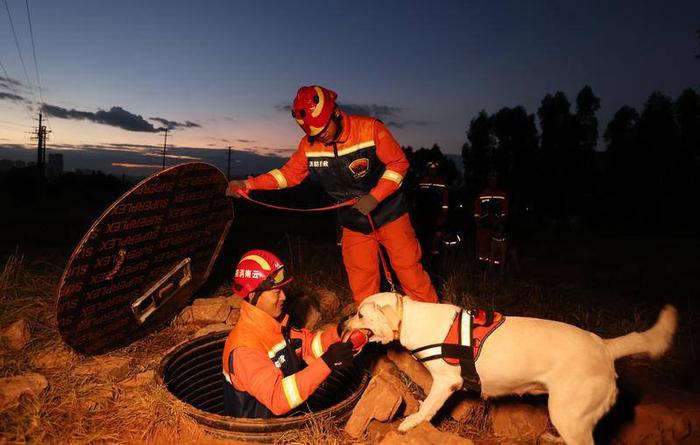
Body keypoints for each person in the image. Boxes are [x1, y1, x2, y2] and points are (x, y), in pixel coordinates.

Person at [227, 85, 438, 305]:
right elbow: (287, 175)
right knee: (362, 285)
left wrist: (375, 196)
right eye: (314, 133)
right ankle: (370, 336)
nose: (322, 137)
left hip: (391, 215)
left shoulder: (370, 129)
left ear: (336, 111)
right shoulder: (309, 145)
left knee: (411, 276)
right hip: (353, 223)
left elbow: (399, 163)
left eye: (323, 128)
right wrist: (248, 184)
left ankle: (439, 331)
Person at [221, 249, 354, 418]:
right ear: (254, 295)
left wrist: (339, 331)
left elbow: (308, 346)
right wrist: (327, 362)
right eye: (277, 292)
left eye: (283, 290)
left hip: (285, 422)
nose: (284, 297)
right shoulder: (244, 349)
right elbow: (278, 398)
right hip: (259, 435)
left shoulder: (274, 324)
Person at [414, 160, 450, 258]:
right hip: (422, 216)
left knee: (435, 240)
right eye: (431, 169)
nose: (432, 171)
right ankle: (421, 259)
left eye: (434, 170)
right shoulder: (421, 182)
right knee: (421, 239)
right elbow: (416, 199)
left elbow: (445, 202)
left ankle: (434, 261)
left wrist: (443, 216)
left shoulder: (442, 183)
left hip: (436, 217)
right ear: (427, 170)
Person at [474, 173, 509, 265]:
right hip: (484, 224)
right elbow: (477, 211)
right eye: (491, 180)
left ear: (497, 181)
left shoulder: (503, 195)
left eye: (494, 180)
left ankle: (496, 264)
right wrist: (478, 222)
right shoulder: (482, 195)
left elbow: (505, 211)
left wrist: (502, 223)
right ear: (488, 181)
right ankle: (483, 264)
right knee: (483, 245)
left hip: (497, 226)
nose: (492, 182)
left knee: (497, 247)